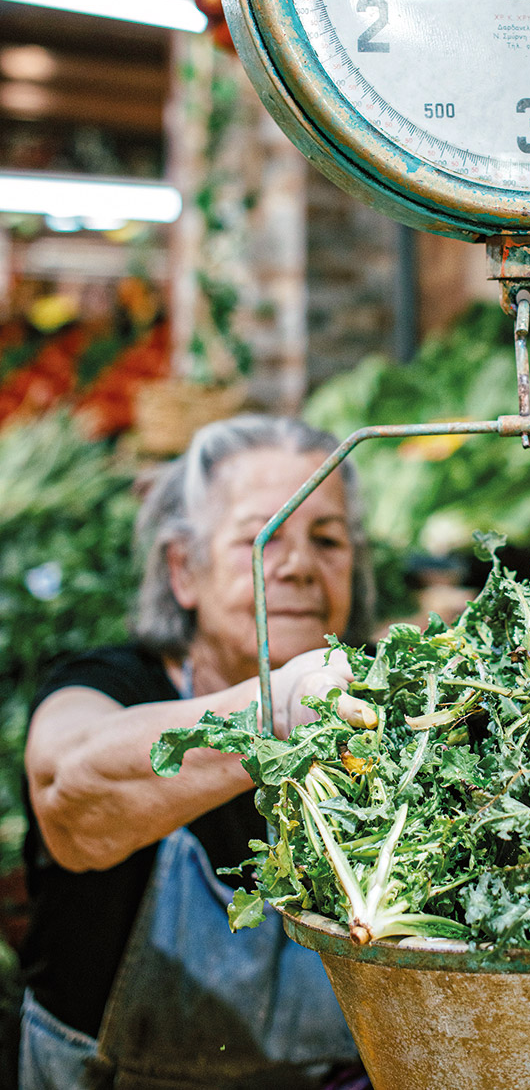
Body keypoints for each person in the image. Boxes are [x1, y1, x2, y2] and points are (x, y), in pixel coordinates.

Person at [19, 415, 378, 1090]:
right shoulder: (108, 687)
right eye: (261, 537)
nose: (300, 565)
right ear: (184, 568)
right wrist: (277, 711)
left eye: (326, 539)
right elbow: (70, 790)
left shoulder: (377, 707)